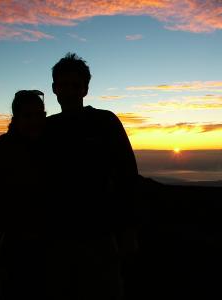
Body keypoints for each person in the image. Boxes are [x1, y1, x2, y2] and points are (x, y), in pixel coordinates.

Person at [45, 53, 139, 300]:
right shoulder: (46, 128)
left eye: (75, 85)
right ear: (54, 88)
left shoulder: (104, 122)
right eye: (63, 85)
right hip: (56, 235)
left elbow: (127, 175)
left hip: (99, 233)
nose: (69, 91)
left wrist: (127, 231)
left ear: (86, 89)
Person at [0, 90, 48, 299]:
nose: (34, 121)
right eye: (27, 116)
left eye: (39, 115)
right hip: (13, 248)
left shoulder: (50, 146)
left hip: (49, 246)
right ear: (15, 118)